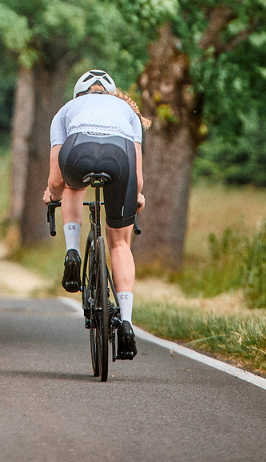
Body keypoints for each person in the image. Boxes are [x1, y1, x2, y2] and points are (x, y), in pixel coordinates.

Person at [42, 69, 150, 360]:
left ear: (79, 94)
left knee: (72, 186)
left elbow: (55, 180)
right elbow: (137, 179)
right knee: (119, 244)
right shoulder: (128, 112)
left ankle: (73, 253)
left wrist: (53, 196)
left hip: (78, 154)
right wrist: (135, 197)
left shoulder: (65, 111)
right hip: (120, 157)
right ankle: (126, 323)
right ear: (111, 93)